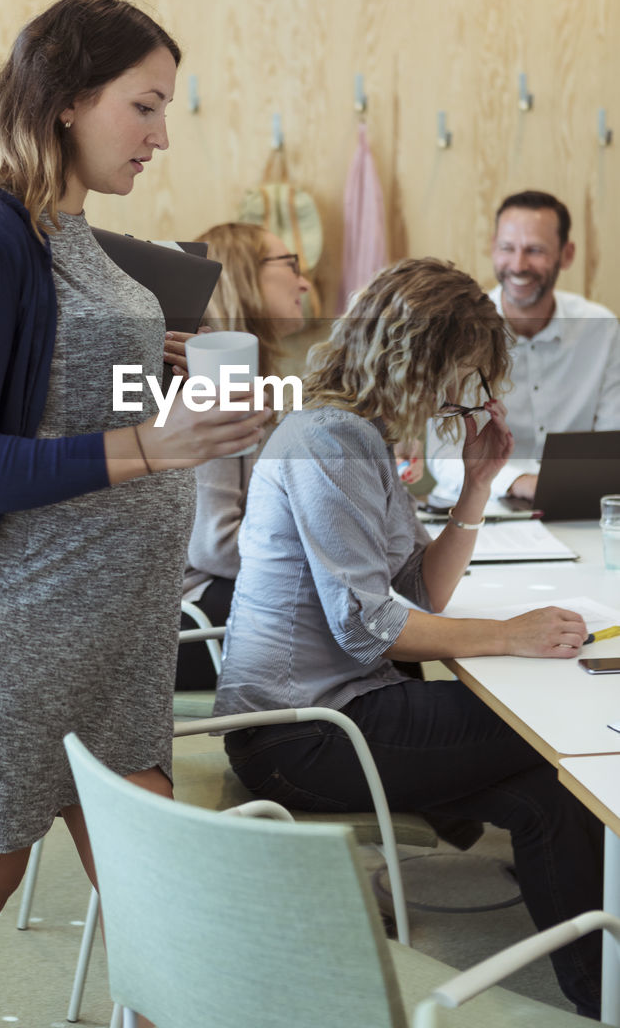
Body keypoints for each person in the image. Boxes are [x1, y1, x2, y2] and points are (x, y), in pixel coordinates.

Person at [0, 0, 271, 1028]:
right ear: (66, 99)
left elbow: (60, 391)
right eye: (144, 106)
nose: (161, 135)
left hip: (105, 625)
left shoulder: (70, 224)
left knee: (156, 883)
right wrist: (153, 443)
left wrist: (176, 392)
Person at [213, 257, 603, 1017]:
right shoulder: (327, 439)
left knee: (541, 797)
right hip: (303, 736)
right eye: (467, 374)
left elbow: (416, 594)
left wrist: (477, 487)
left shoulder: (354, 432)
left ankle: (599, 989)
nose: (471, 395)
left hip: (342, 712)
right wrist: (508, 636)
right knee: (557, 729)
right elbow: (369, 630)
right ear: (423, 359)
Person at [167, 221, 311, 689]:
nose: (304, 281)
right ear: (245, 276)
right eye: (290, 265)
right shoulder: (211, 388)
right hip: (194, 621)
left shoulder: (253, 385)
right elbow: (213, 543)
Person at [427, 189, 620, 506]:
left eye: (534, 250)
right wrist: (519, 481)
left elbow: (612, 442)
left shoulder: (602, 328)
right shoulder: (455, 332)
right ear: (493, 248)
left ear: (566, 254)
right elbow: (441, 454)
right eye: (507, 248)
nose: (518, 265)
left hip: (576, 504)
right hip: (475, 508)